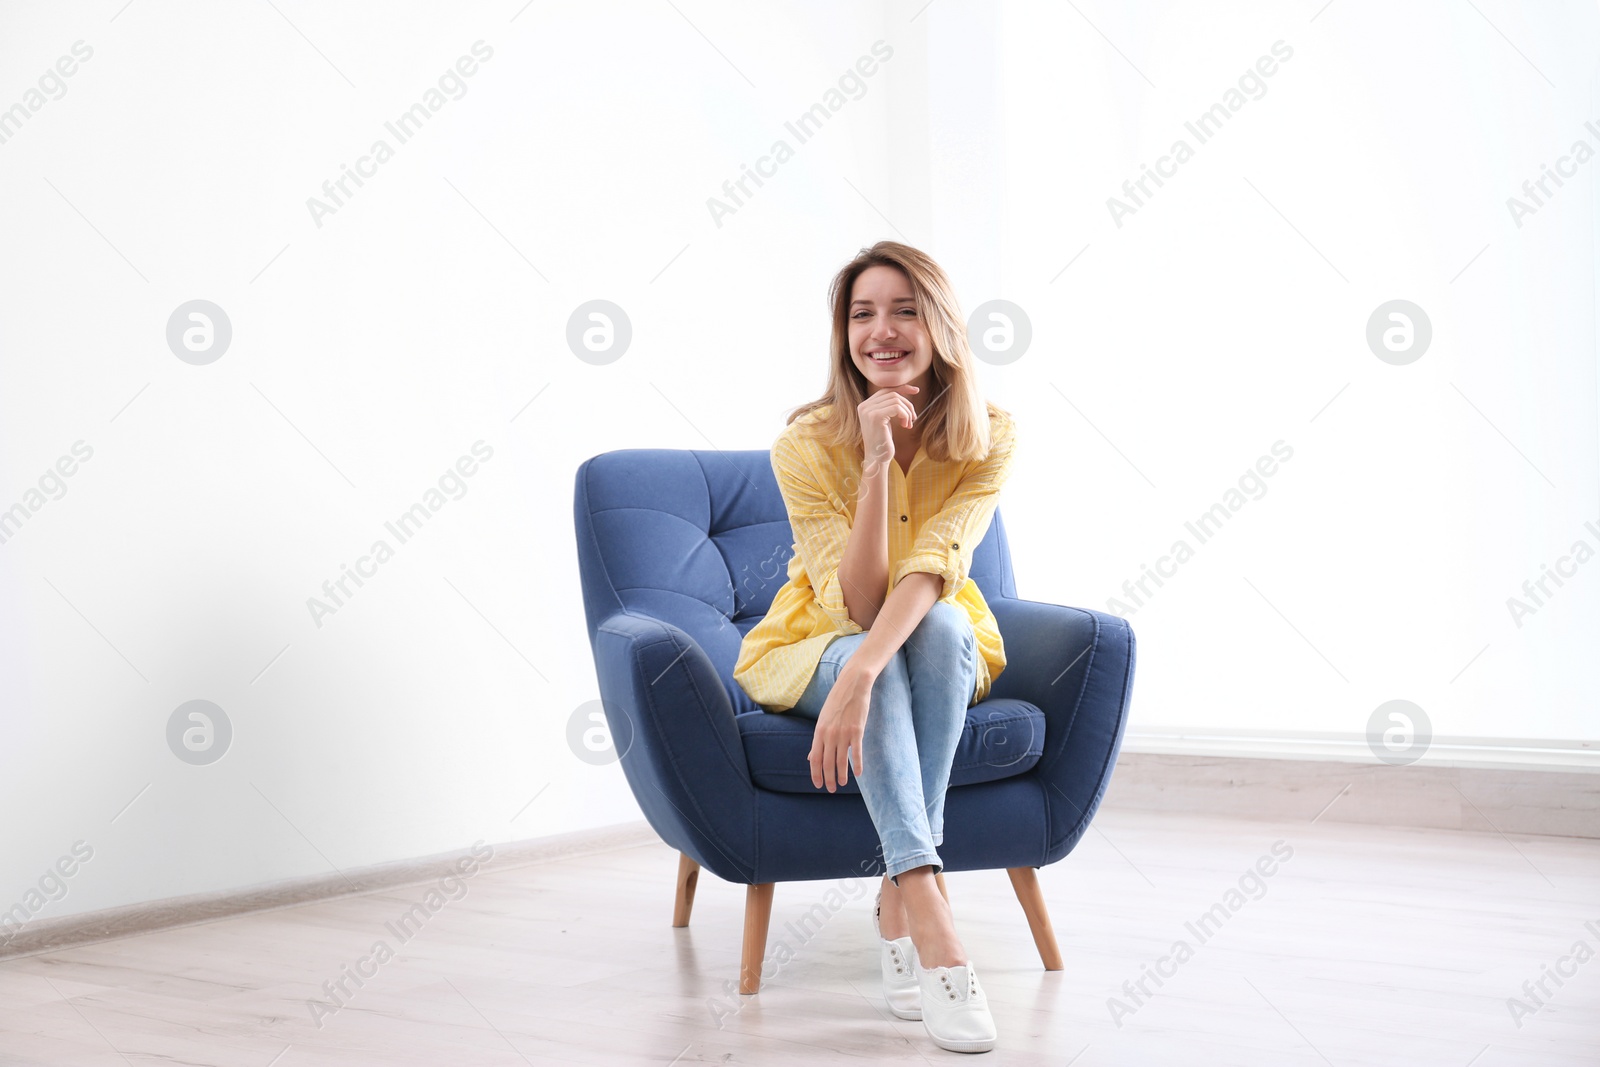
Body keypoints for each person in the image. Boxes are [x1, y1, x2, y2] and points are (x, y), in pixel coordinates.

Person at [732, 240, 1017, 1054]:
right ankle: (932, 917)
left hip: (925, 642)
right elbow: (855, 602)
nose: (881, 330)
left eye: (903, 310)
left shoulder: (989, 436)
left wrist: (864, 668)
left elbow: (934, 572)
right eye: (862, 313)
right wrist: (877, 464)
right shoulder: (804, 445)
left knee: (940, 624)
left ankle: (898, 898)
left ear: (939, 325)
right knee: (893, 647)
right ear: (843, 333)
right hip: (813, 639)